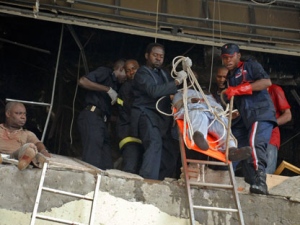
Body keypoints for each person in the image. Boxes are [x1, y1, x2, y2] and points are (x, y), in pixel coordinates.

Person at [221, 43, 277, 195]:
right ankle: (236, 177)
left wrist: (239, 89)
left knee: (255, 143)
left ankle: (260, 181)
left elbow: (266, 82)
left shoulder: (250, 66)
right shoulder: (230, 78)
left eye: (231, 57)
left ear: (238, 55)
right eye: (225, 58)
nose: (228, 60)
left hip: (260, 113)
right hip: (245, 118)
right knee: (232, 141)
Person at [130, 43, 186, 180]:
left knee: (170, 150)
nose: (158, 59)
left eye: (161, 56)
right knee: (154, 143)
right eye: (155, 55)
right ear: (147, 56)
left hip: (162, 118)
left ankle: (161, 180)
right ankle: (148, 180)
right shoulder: (142, 73)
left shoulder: (164, 74)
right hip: (146, 114)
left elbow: (173, 92)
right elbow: (153, 91)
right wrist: (177, 81)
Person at [172, 87, 252, 162]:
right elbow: (179, 104)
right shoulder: (182, 92)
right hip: (196, 108)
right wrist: (189, 101)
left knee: (223, 126)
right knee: (200, 117)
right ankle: (200, 139)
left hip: (215, 113)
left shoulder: (212, 97)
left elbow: (221, 108)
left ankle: (231, 150)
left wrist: (229, 115)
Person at [77, 59, 126, 170]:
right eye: (126, 73)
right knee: (92, 159)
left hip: (101, 121)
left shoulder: (117, 85)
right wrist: (107, 89)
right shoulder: (106, 73)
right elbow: (83, 81)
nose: (126, 77)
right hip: (91, 116)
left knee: (106, 163)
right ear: (121, 69)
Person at [0, 102, 51, 170]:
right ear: (8, 114)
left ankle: (24, 161)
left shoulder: (27, 134)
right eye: (19, 113)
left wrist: (43, 151)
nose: (23, 117)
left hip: (15, 156)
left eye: (24, 114)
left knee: (30, 147)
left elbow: (37, 143)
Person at [116, 59, 143, 174]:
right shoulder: (128, 87)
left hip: (134, 134)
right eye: (128, 70)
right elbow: (131, 109)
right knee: (130, 169)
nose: (131, 72)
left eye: (134, 69)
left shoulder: (138, 85)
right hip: (129, 133)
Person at [265, 84, 292, 174]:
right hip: (253, 137)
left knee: (266, 175)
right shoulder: (249, 91)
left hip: (270, 137)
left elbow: (288, 115)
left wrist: (269, 125)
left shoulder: (275, 89)